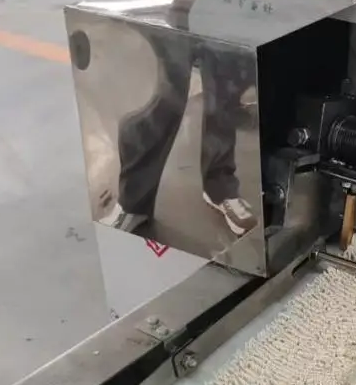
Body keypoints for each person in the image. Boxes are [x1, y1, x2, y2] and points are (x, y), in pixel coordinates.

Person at [98, 33, 257, 238]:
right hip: (179, 18)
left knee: (224, 97)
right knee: (162, 98)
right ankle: (134, 202)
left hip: (223, 19)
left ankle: (220, 187)